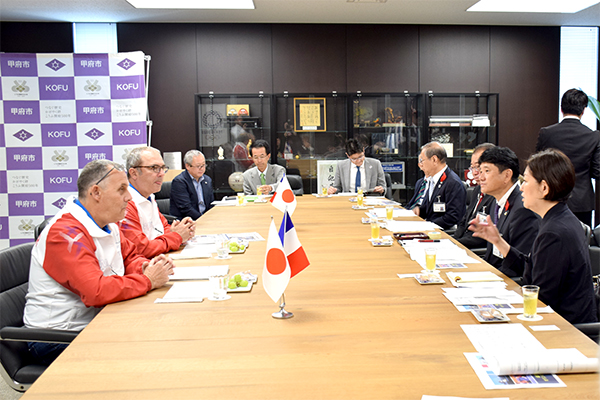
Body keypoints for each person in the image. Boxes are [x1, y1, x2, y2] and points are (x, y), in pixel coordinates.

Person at [23, 160, 174, 364]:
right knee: (150, 349)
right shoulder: (65, 233)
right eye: (122, 190)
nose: (129, 197)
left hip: (95, 322)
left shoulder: (108, 224)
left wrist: (145, 267)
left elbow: (129, 258)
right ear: (96, 193)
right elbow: (95, 291)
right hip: (57, 338)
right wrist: (147, 280)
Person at [469, 149, 597, 324]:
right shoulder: (558, 218)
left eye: (526, 181)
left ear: (544, 188)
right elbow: (533, 269)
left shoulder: (554, 233)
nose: (521, 187)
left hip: (564, 328)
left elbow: (540, 297)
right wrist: (498, 241)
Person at [535, 89, 600, 227]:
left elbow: (537, 167)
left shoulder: (546, 133)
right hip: (582, 202)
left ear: (561, 109)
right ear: (583, 111)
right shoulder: (593, 136)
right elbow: (597, 172)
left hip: (551, 197)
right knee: (581, 241)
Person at [475, 146, 540, 277]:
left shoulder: (523, 209)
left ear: (507, 175)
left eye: (486, 171)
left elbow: (522, 266)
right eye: (480, 171)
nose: (480, 177)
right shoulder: (496, 201)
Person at [120, 146, 195, 258]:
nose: (161, 174)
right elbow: (141, 249)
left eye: (163, 168)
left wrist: (182, 231)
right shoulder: (125, 204)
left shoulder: (149, 196)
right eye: (154, 168)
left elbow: (163, 228)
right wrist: (176, 236)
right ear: (134, 173)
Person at [405, 142, 466, 230]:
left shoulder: (453, 182)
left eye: (422, 160)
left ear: (434, 160)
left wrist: (427, 225)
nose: (420, 164)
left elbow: (452, 217)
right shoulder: (432, 180)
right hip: (430, 228)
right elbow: (431, 207)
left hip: (442, 232)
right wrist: (419, 210)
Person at [453, 143, 496, 248]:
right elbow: (463, 223)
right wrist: (452, 241)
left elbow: (481, 238)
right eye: (473, 167)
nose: (476, 172)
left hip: (475, 249)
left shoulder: (495, 195)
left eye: (479, 167)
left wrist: (456, 244)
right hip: (462, 245)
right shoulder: (476, 190)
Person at [170, 150, 215, 220]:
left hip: (204, 219)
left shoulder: (207, 180)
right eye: (198, 166)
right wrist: (203, 219)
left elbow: (211, 204)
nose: (202, 169)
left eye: (203, 165)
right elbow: (186, 209)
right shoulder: (179, 182)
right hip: (186, 222)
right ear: (187, 166)